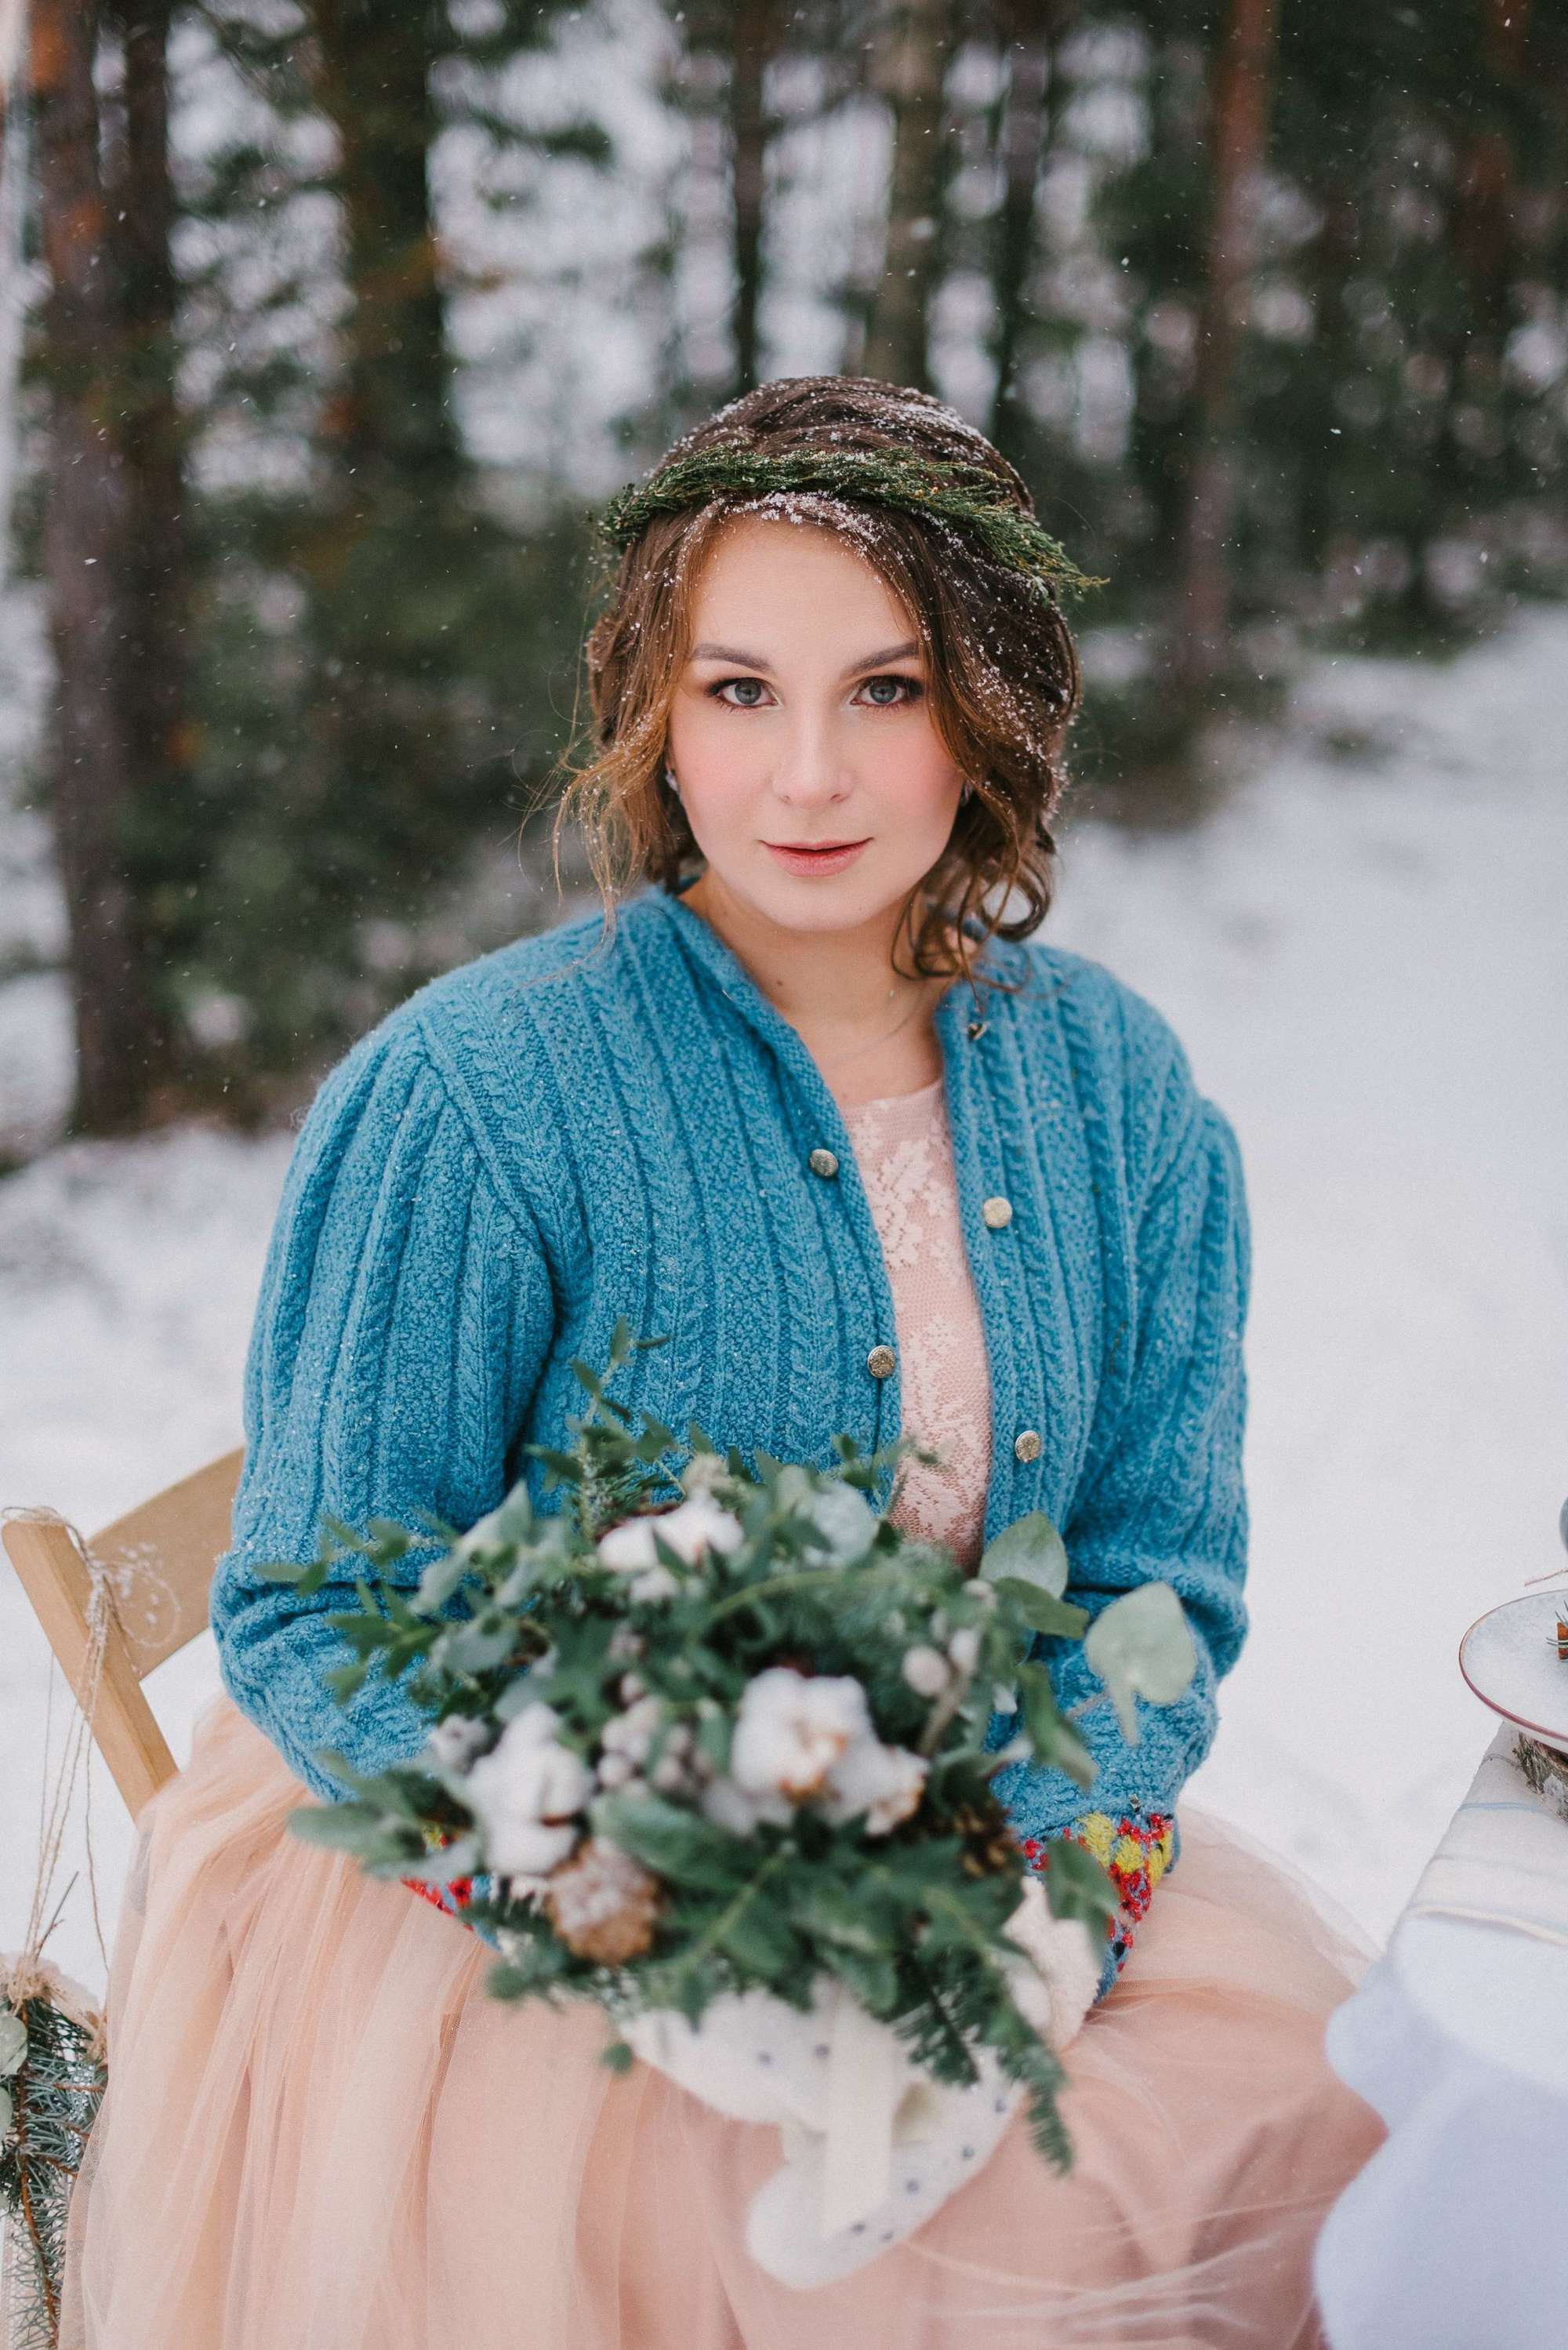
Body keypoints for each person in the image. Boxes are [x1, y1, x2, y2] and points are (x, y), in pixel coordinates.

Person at [61, 376, 1384, 2350]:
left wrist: (1037, 1873)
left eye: (886, 687)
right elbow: (320, 1598)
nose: (807, 777)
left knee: (1327, 2135)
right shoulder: (476, 1093)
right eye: (739, 689)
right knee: (893, 2265)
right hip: (533, 1901)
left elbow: (1155, 1583)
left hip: (971, 1842)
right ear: (653, 713)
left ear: (990, 706)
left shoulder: (1123, 1096)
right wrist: (642, 1896)